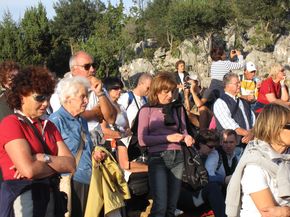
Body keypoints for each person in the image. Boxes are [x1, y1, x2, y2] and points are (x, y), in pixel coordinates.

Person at [0, 66, 75, 216]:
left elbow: (71, 164)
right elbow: (28, 170)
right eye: (39, 98)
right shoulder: (11, 123)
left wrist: (42, 158)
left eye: (47, 97)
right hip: (24, 199)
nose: (46, 103)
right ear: (22, 96)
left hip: (51, 198)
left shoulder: (49, 126)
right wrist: (56, 165)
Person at [49, 76, 109, 217]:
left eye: (87, 96)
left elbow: (84, 147)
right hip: (72, 183)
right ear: (68, 98)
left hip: (90, 180)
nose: (87, 101)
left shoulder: (81, 119)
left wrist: (95, 153)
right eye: (82, 96)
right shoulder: (56, 121)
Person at [138, 72, 194, 217]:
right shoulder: (146, 109)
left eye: (172, 91)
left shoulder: (177, 108)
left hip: (178, 157)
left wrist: (187, 138)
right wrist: (168, 137)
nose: (170, 95)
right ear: (156, 91)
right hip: (158, 158)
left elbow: (184, 131)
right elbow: (142, 139)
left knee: (171, 207)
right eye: (166, 91)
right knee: (160, 206)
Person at [226, 103, 290, 217]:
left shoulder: (286, 156)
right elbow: (270, 213)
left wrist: (286, 212)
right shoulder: (255, 166)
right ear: (274, 129)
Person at [50, 50, 117, 145]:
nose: (92, 69)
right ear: (74, 70)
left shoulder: (97, 86)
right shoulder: (61, 90)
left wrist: (100, 93)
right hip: (76, 144)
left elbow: (111, 119)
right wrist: (96, 113)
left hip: (99, 143)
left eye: (94, 65)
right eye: (87, 66)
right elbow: (66, 118)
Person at [178, 129, 226, 217]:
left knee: (221, 189)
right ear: (200, 144)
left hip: (199, 197)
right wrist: (223, 179)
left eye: (215, 147)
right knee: (213, 187)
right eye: (211, 147)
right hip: (188, 199)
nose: (213, 149)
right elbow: (203, 180)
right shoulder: (189, 155)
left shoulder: (211, 156)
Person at [213, 72, 255, 145]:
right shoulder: (220, 102)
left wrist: (253, 133)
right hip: (232, 146)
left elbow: (253, 119)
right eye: (237, 83)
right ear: (228, 85)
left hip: (249, 143)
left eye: (239, 82)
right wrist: (248, 134)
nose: (240, 85)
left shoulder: (243, 101)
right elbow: (230, 126)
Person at [101, 77, 131, 155]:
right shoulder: (103, 108)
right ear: (108, 90)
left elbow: (127, 127)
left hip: (123, 145)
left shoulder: (121, 107)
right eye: (116, 88)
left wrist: (127, 132)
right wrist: (121, 135)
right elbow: (103, 130)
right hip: (110, 147)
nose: (119, 91)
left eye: (120, 88)